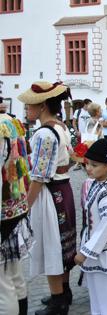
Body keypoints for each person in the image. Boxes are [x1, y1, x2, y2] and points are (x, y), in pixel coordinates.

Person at [18, 81, 77, 314]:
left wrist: (25, 206)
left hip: (50, 194)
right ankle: (64, 290)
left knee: (51, 243)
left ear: (42, 106)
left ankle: (58, 300)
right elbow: (71, 159)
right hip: (63, 189)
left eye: (29, 105)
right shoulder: (60, 127)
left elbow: (39, 176)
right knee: (63, 243)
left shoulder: (44, 133)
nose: (26, 110)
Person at [74, 138, 107, 315]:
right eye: (87, 163)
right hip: (95, 252)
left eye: (95, 165)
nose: (89, 168)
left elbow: (106, 225)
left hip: (104, 252)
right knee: (96, 300)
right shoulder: (96, 184)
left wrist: (86, 251)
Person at [0, 113, 33, 315]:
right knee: (13, 271)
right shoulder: (10, 121)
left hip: (3, 210)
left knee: (2, 283)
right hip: (15, 205)